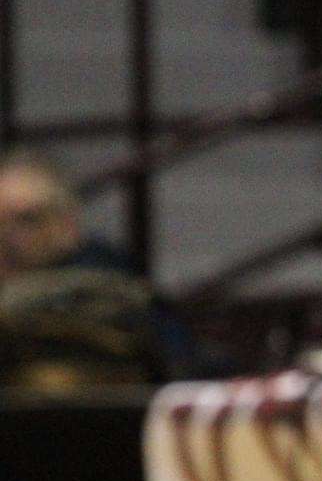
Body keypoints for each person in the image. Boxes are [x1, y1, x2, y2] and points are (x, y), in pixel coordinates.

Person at [0, 151, 195, 389]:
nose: (7, 235)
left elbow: (176, 360)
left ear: (67, 222)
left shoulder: (108, 287)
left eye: (27, 219)